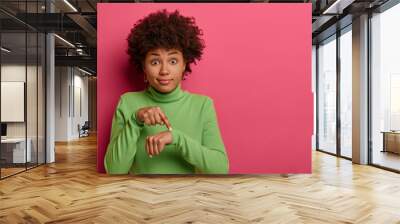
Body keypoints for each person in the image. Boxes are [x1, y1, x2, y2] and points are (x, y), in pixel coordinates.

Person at [104, 9, 229, 174]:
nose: (164, 70)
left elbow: (220, 169)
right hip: (140, 197)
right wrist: (135, 120)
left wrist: (177, 139)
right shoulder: (127, 103)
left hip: (187, 197)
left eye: (173, 61)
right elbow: (114, 170)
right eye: (155, 62)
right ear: (143, 66)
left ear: (184, 64)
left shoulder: (203, 105)